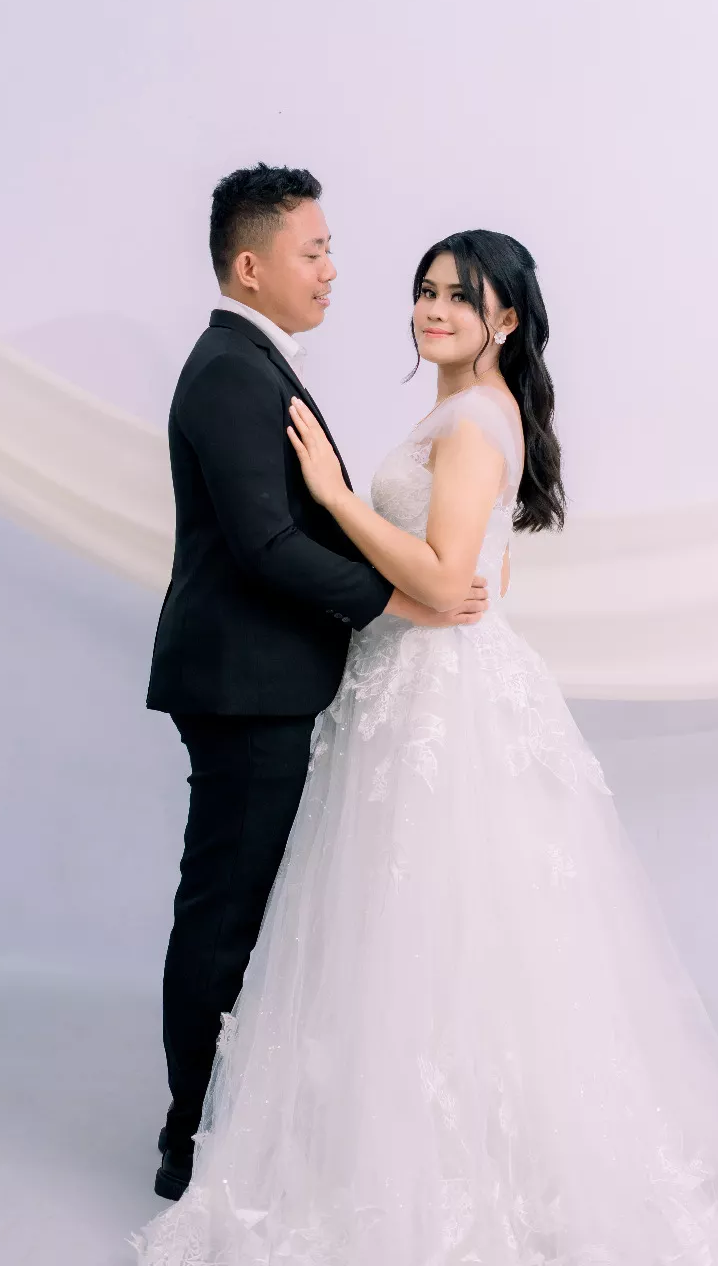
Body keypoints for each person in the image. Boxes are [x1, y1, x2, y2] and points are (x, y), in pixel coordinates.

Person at [136, 228, 718, 1263]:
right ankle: (380, 1133)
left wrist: (336, 500)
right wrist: (425, 566)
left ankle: (441, 1156)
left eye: (459, 299)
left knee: (431, 919)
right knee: (405, 921)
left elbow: (442, 579)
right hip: (402, 680)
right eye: (425, 290)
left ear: (504, 321)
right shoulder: (462, 410)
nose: (432, 310)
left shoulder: (474, 418)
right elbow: (477, 570)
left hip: (437, 691)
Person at [146, 168, 489, 1201]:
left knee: (253, 910)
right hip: (244, 684)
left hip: (269, 679)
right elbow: (264, 545)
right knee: (225, 913)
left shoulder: (253, 363)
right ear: (251, 267)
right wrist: (402, 601)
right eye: (314, 251)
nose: (334, 269)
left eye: (331, 249)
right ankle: (189, 1140)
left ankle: (230, 1117)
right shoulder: (228, 371)